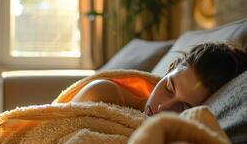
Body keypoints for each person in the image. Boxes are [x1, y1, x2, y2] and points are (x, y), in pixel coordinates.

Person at [71, 43, 247, 115]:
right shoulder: (103, 93)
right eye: (169, 88)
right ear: (170, 69)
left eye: (184, 107)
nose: (163, 107)